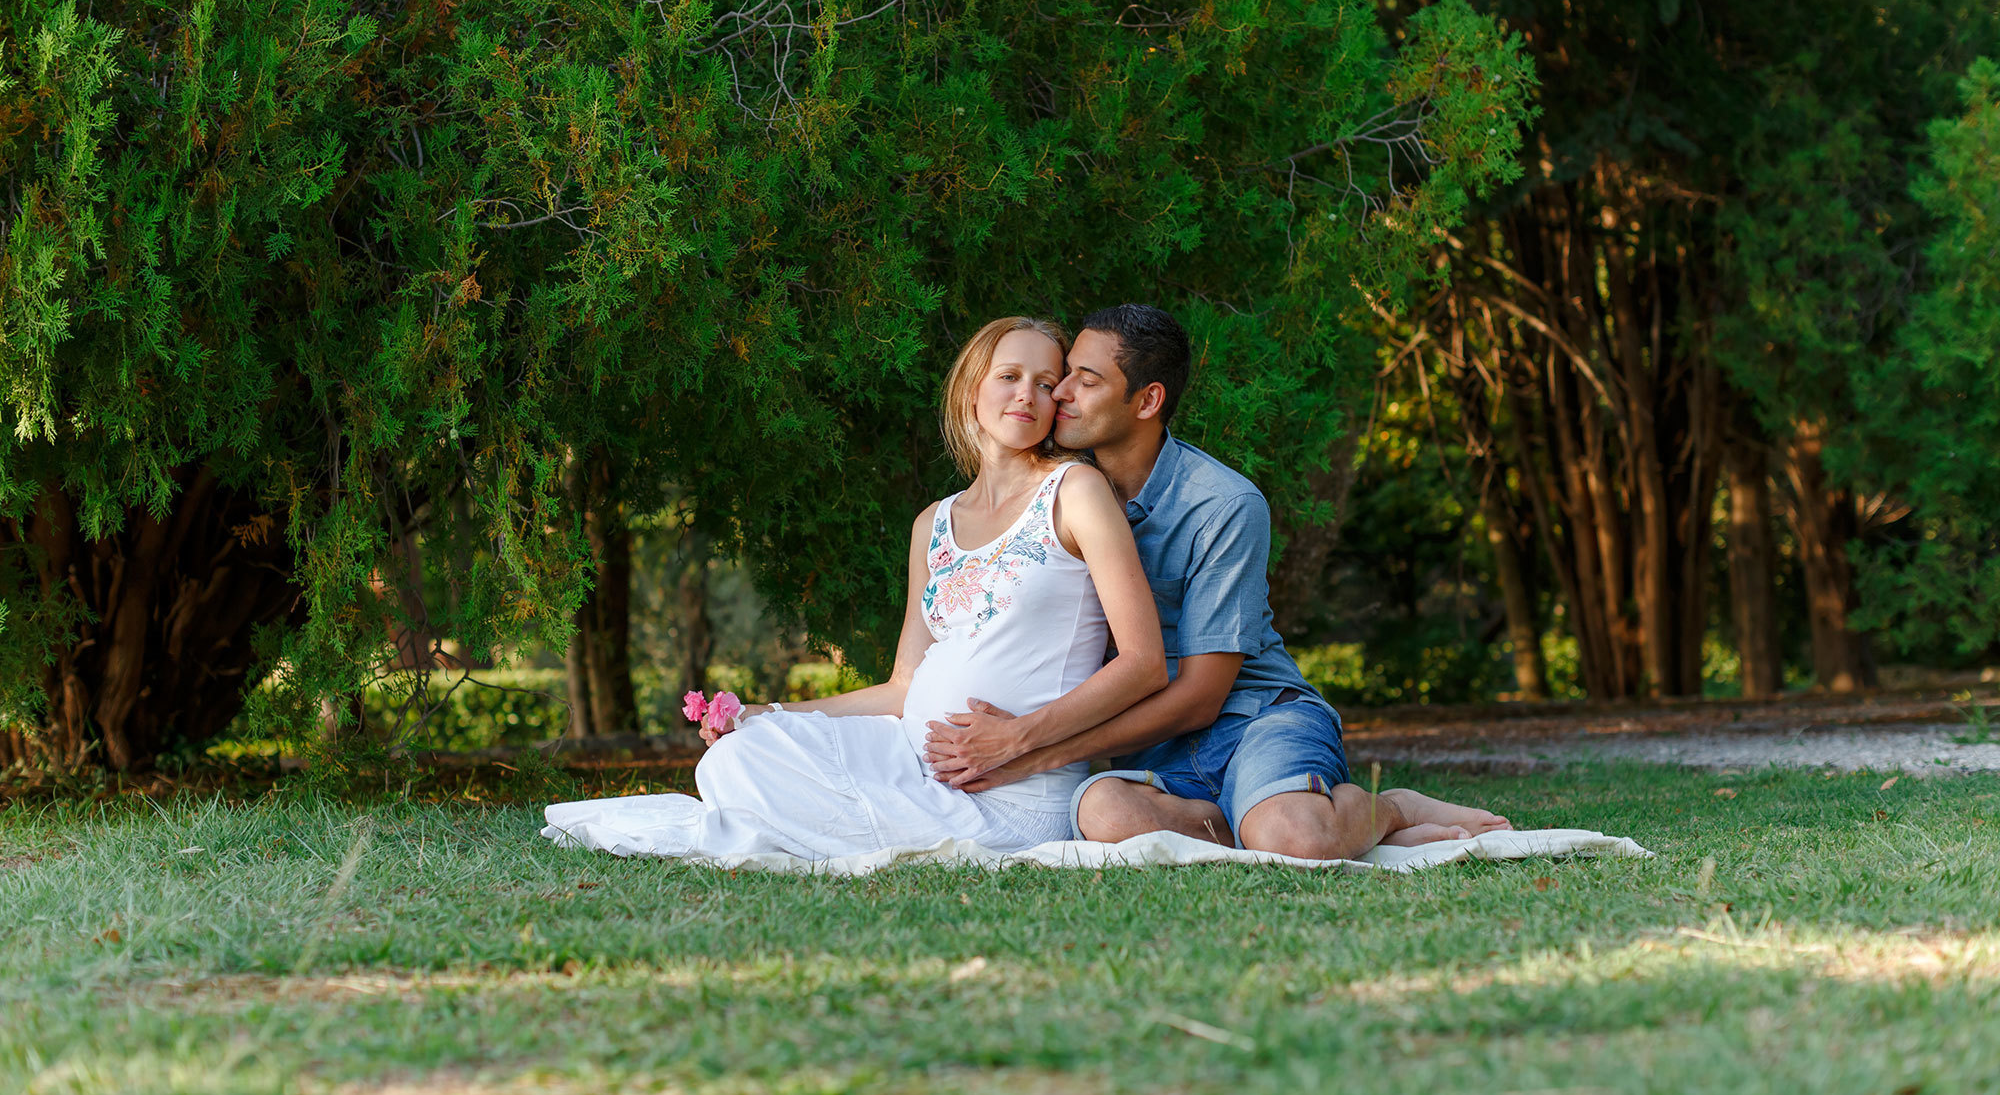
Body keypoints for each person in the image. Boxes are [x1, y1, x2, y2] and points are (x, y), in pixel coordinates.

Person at [541, 316, 1168, 859]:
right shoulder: (935, 523)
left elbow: (1143, 665)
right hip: (905, 760)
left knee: (750, 783)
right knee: (736, 757)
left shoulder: (1075, 494)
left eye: (1045, 381)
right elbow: (902, 688)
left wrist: (1018, 737)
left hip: (1011, 792)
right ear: (971, 387)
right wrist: (768, 715)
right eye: (1009, 375)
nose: (1028, 394)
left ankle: (810, 827)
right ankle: (816, 814)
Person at [923, 304, 1511, 859]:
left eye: (1086, 380)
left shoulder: (1222, 504)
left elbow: (1202, 695)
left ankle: (1389, 811)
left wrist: (1031, 750)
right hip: (1152, 742)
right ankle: (1251, 826)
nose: (1061, 394)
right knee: (1103, 816)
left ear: (1147, 400)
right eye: (1065, 377)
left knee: (1293, 835)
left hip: (1253, 715)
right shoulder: (1052, 493)